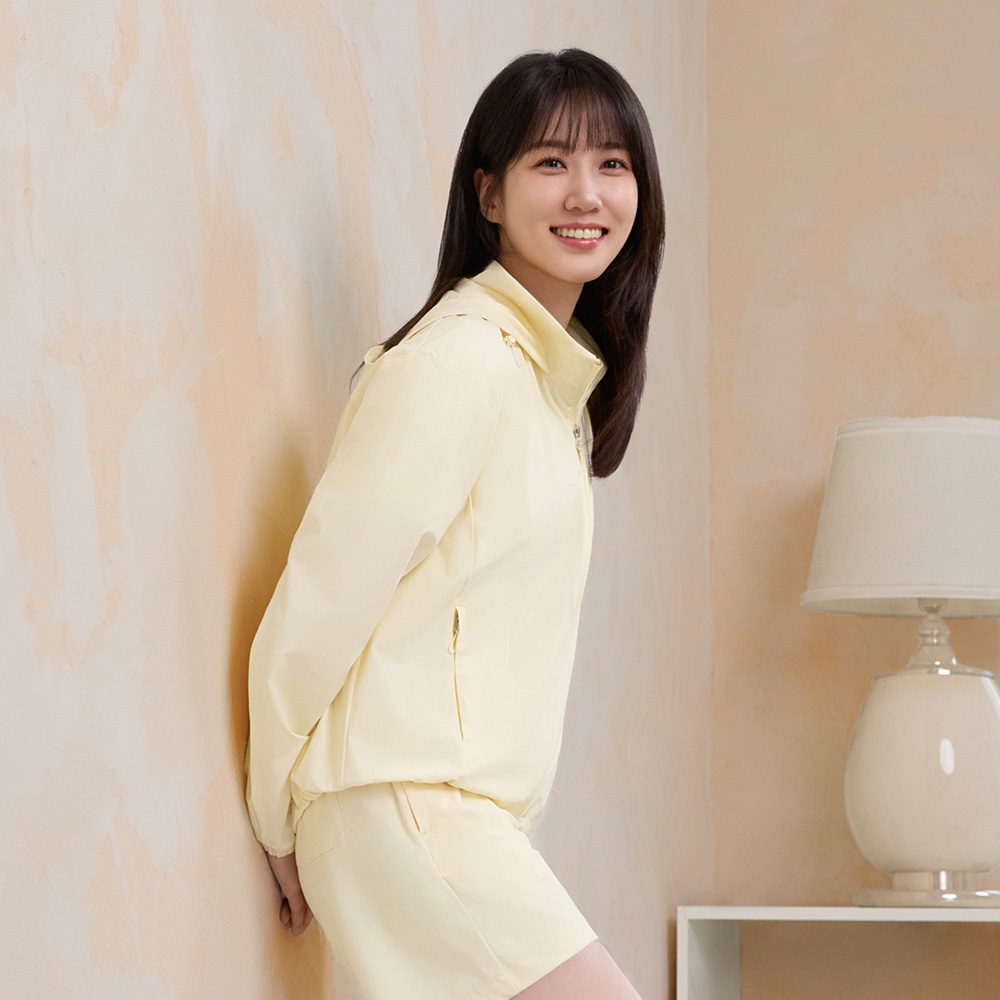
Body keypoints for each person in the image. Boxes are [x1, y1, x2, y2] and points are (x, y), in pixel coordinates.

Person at [244, 47, 665, 1000]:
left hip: (456, 818)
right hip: (398, 806)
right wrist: (275, 815)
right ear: (488, 194)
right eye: (551, 162)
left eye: (612, 163)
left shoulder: (548, 388)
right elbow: (322, 597)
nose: (586, 193)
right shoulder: (459, 363)